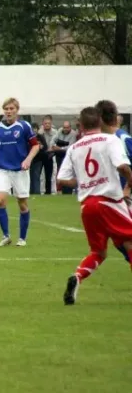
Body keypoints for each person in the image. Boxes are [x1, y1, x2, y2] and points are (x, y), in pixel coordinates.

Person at [57, 106, 132, 305]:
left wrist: (82, 181)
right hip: (109, 201)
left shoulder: (74, 147)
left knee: (98, 252)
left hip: (87, 205)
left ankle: (77, 276)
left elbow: (62, 179)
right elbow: (123, 166)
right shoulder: (110, 140)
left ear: (80, 125)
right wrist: (129, 186)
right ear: (100, 122)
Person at [0, 98, 39, 247]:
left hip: (20, 170)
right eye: (6, 109)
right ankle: (6, 235)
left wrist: (28, 159)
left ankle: (22, 238)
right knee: (1, 200)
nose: (8, 111)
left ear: (17, 110)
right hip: (2, 169)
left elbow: (35, 146)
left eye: (11, 109)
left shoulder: (24, 126)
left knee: (22, 203)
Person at [95, 100, 132, 269]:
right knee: (120, 240)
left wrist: (127, 189)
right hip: (115, 199)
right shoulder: (105, 140)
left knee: (124, 239)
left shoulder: (123, 138)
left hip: (127, 197)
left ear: (101, 119)